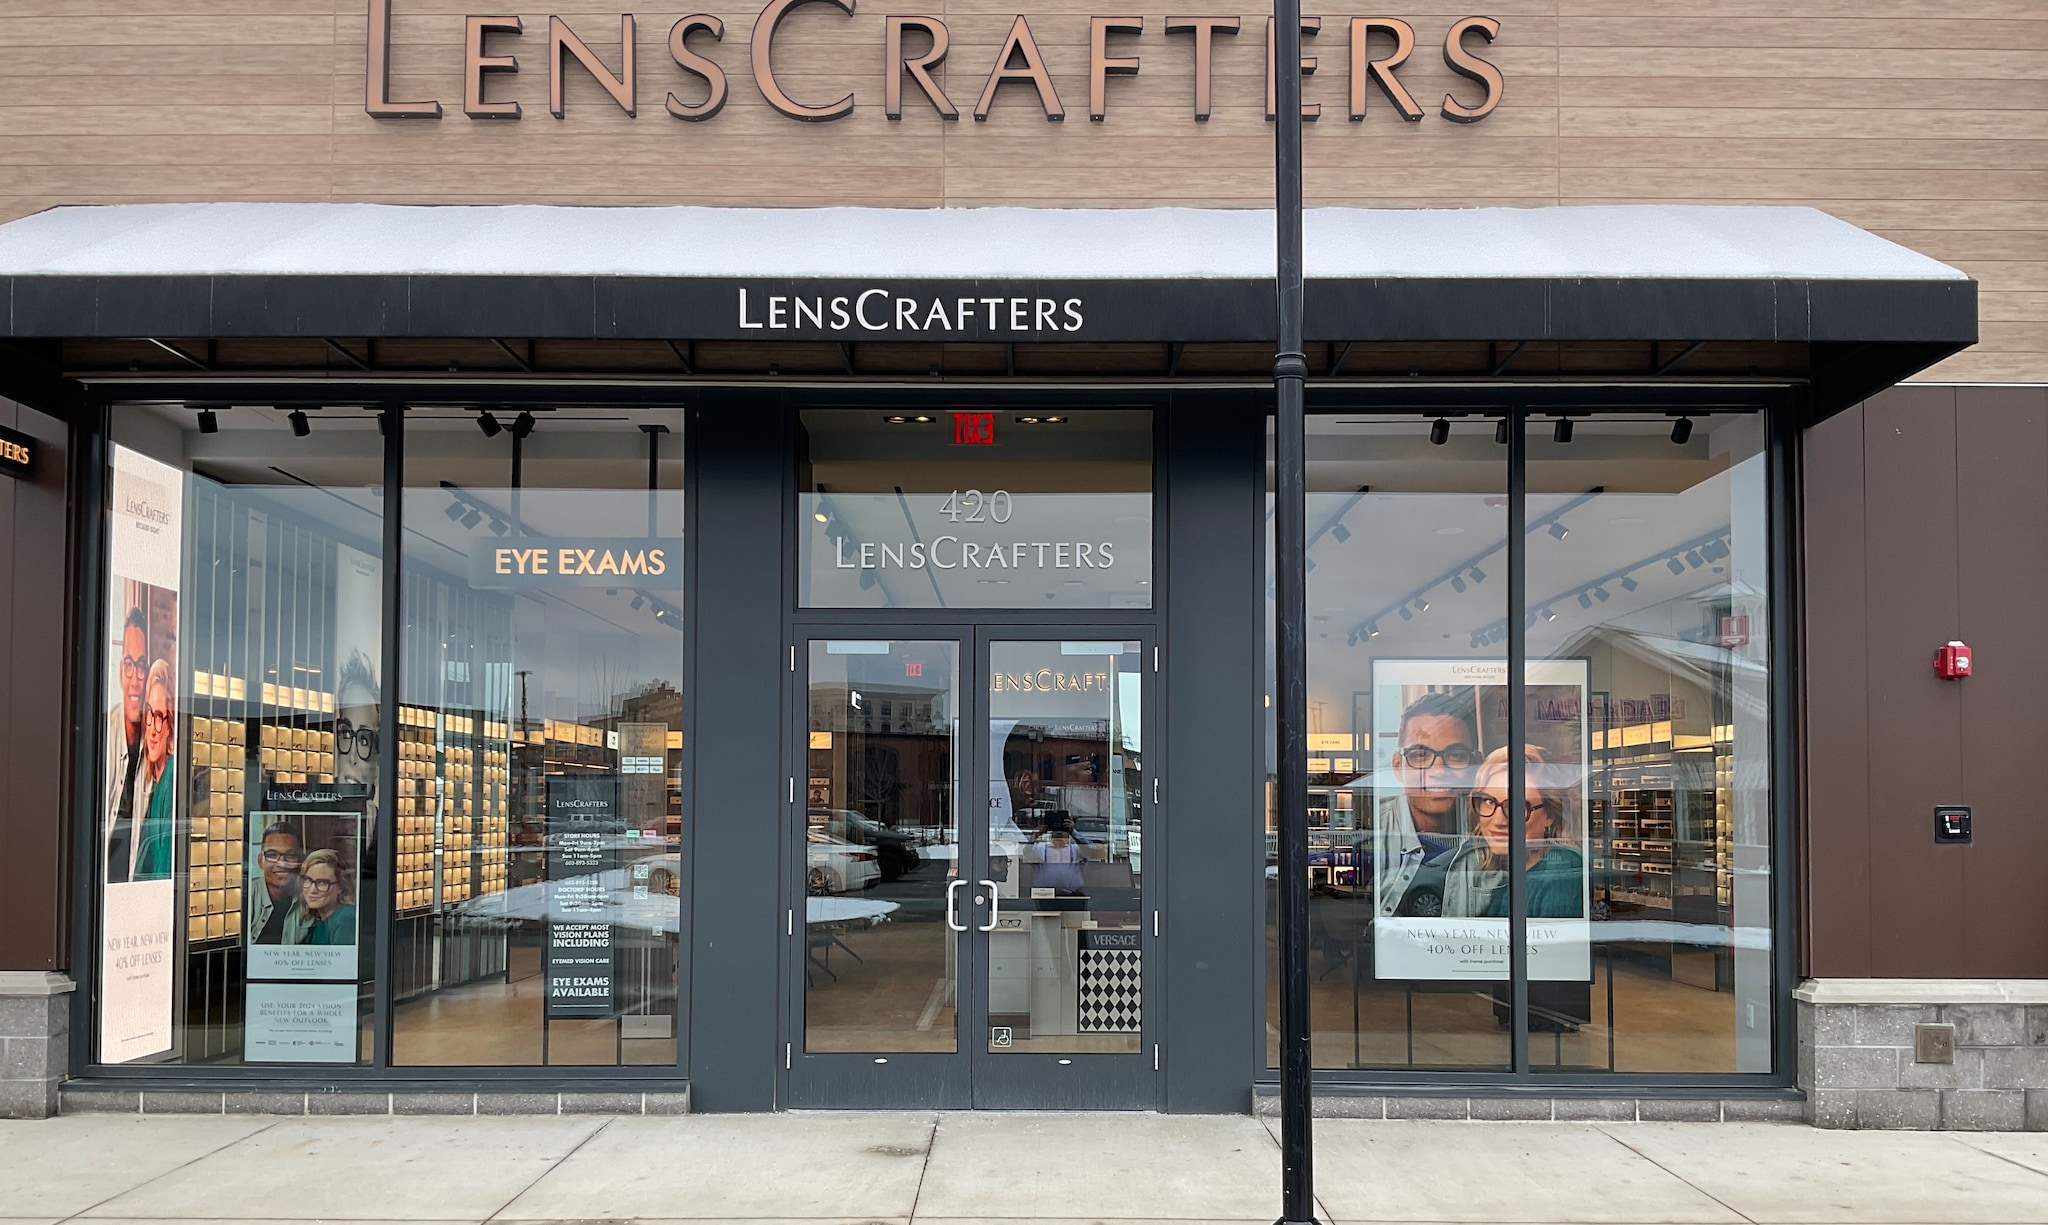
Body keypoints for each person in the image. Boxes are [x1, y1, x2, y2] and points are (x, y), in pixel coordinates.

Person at [1440, 745, 1584, 920]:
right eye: (1489, 801)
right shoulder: (1493, 866)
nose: (1499, 820)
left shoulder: (1562, 872)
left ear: (1549, 815)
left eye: (1516, 806)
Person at [1375, 688, 1479, 918]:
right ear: (1397, 766)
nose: (1439, 770)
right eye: (1420, 755)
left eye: (1456, 755)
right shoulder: (1373, 829)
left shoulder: (1495, 833)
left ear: (1476, 765)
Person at [103, 605, 149, 883]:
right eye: (129, 665)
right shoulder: (104, 735)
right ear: (121, 671)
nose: (135, 679)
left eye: (141, 666)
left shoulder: (155, 742)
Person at [127, 660, 179, 881]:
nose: (153, 730)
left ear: (169, 726)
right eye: (149, 713)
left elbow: (163, 872)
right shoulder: (153, 779)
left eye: (160, 717)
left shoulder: (171, 777)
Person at [248, 822, 304, 944]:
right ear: (260, 861)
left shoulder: (312, 898)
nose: (282, 863)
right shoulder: (246, 895)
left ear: (300, 860)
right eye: (272, 855)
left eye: (290, 855)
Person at [289, 848, 357, 946]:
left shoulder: (346, 918)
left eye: (322, 883)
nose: (313, 890)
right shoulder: (319, 923)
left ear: (341, 887)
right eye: (308, 880)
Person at [1026, 811, 1086, 896]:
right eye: (1055, 829)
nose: (1059, 831)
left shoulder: (1075, 849)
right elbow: (1026, 853)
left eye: (1062, 828)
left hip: (1073, 893)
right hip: (1045, 894)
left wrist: (1073, 831)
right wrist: (1037, 834)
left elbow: (1091, 850)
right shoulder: (1041, 848)